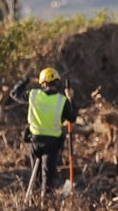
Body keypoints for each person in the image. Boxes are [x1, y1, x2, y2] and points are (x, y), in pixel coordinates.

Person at [11, 67, 77, 195]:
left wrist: (27, 80)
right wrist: (71, 99)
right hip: (52, 143)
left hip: (35, 140)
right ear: (56, 83)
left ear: (42, 82)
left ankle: (34, 199)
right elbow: (72, 117)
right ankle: (46, 201)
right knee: (48, 176)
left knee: (36, 175)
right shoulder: (62, 100)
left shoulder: (33, 95)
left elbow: (15, 93)